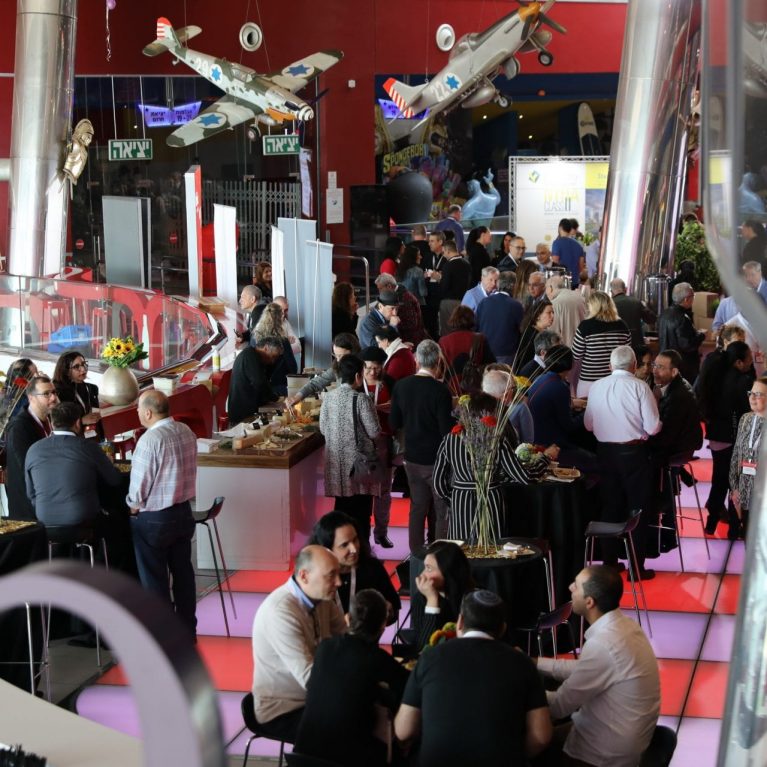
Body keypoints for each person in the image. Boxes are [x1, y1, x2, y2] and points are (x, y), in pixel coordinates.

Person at [395, 589, 551, 767]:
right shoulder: (523, 663)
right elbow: (541, 736)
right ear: (502, 628)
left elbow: (403, 731)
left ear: (460, 622)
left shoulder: (430, 657)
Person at [537, 566, 660, 767]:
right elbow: (585, 669)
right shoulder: (627, 626)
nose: (570, 587)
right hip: (628, 741)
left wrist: (522, 690)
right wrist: (534, 663)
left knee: (532, 744)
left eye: (576, 586)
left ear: (589, 602)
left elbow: (559, 706)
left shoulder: (603, 644)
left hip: (601, 756)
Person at [295, 589, 409, 767]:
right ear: (383, 625)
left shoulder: (325, 647)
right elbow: (410, 686)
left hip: (303, 754)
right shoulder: (377, 658)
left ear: (348, 618)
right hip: (348, 758)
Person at [251, 545, 347, 742]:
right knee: (355, 728)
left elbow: (347, 641)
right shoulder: (281, 612)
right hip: (283, 709)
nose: (339, 582)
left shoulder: (322, 597)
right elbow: (310, 678)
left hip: (312, 697)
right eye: (331, 575)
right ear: (304, 576)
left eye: (339, 574)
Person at [433, 392, 554, 541]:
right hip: (490, 499)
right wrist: (545, 459)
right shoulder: (496, 439)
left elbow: (438, 483)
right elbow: (524, 476)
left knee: (462, 548)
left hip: (460, 500)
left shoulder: (449, 439)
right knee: (491, 546)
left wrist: (454, 498)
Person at [584, 346, 661, 578]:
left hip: (605, 453)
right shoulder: (640, 387)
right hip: (634, 453)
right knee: (638, 508)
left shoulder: (596, 386)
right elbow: (652, 428)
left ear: (610, 366)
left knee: (610, 506)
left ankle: (609, 563)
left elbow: (588, 425)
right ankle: (636, 568)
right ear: (634, 366)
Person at [126, 390, 198, 637]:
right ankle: (187, 631)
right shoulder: (185, 431)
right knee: (183, 575)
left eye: (138, 408)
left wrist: (132, 507)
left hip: (155, 518)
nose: (137, 412)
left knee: (155, 580)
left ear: (148, 412)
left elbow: (139, 488)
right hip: (184, 511)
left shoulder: (149, 440)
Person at [389, 340, 455, 552]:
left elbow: (394, 423)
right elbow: (446, 431)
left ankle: (416, 554)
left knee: (417, 508)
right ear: (438, 361)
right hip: (437, 459)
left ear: (416, 360)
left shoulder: (401, 386)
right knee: (442, 509)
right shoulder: (441, 391)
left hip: (412, 457)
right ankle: (440, 553)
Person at [25, 401, 122, 528]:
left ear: (52, 423)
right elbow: (114, 480)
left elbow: (31, 494)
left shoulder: (33, 449)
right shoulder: (88, 447)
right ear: (77, 423)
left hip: (45, 520)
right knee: (117, 515)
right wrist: (109, 464)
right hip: (83, 519)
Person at [319, 355, 381, 541]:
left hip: (336, 466)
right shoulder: (361, 399)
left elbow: (323, 429)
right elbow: (374, 431)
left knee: (341, 511)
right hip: (358, 467)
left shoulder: (328, 398)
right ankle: (361, 549)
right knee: (361, 513)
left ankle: (340, 546)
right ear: (357, 376)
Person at [696, 341, 754, 535]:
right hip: (734, 436)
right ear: (738, 362)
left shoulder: (715, 376)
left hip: (716, 436)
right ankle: (734, 527)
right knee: (735, 482)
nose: (751, 362)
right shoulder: (742, 381)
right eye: (749, 359)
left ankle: (712, 522)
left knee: (719, 479)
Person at [307, 511, 400, 620]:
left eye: (355, 540)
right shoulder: (315, 577)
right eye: (344, 545)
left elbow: (394, 610)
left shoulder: (372, 568)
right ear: (327, 549)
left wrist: (387, 612)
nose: (354, 549)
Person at [526, 346, 600, 473]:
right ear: (570, 365)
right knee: (595, 460)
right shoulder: (559, 387)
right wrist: (589, 411)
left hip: (537, 438)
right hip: (551, 445)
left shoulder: (540, 378)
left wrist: (573, 405)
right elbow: (569, 426)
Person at [4, 375, 58, 521]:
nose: (53, 398)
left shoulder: (51, 419)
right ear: (31, 398)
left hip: (49, 496)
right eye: (46, 394)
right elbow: (26, 468)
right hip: (29, 505)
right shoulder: (19, 427)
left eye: (54, 392)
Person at [409, 541, 475, 650]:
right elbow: (424, 648)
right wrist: (432, 601)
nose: (422, 574)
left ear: (447, 571)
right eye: (425, 567)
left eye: (429, 568)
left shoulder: (473, 598)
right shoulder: (421, 599)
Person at [360, 346, 395, 547]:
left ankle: (381, 532)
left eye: (377, 368)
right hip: (362, 444)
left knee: (384, 490)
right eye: (368, 368)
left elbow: (398, 409)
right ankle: (363, 535)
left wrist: (384, 408)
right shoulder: (357, 383)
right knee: (363, 490)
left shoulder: (389, 383)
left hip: (384, 441)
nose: (373, 372)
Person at [571, 291, 631, 397]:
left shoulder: (585, 326)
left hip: (589, 381)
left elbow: (575, 355)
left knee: (586, 407)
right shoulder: (623, 325)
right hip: (614, 381)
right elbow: (627, 355)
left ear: (593, 306)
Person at [729, 376, 767, 539]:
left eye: (758, 394)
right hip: (744, 492)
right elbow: (736, 455)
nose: (752, 397)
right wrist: (734, 487)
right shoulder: (746, 419)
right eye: (751, 393)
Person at [288, 332, 360, 405]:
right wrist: (297, 397)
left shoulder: (364, 370)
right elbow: (315, 383)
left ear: (353, 352)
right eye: (336, 356)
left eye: (341, 356)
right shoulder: (337, 367)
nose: (338, 360)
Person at [227, 336, 284, 425]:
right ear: (266, 348)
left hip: (249, 410)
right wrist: (275, 398)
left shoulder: (256, 357)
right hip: (242, 414)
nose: (272, 361)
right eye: (273, 357)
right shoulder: (250, 355)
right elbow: (259, 382)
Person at [658, 282, 706, 384]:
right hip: (682, 366)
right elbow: (687, 345)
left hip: (665, 362)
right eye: (693, 296)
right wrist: (701, 335)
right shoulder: (682, 318)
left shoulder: (663, 314)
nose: (693, 299)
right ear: (686, 299)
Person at [439, 305, 495, 393]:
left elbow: (440, 368)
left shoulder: (443, 341)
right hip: (475, 388)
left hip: (451, 389)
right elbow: (491, 364)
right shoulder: (480, 339)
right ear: (472, 319)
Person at [475, 271, 525, 365]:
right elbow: (522, 330)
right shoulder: (516, 306)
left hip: (484, 352)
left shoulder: (484, 302)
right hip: (506, 354)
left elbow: (476, 327)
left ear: (498, 284)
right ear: (514, 286)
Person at [253, 302, 298, 397]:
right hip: (280, 385)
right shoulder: (283, 341)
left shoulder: (255, 337)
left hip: (261, 387)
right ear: (279, 319)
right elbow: (293, 367)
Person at [481, 367, 534, 445]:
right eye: (512, 388)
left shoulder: (521, 408)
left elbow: (528, 442)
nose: (513, 390)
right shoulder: (482, 408)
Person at [52, 350, 100, 428]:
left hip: (92, 431)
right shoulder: (59, 393)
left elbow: (96, 412)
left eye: (83, 364)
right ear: (66, 371)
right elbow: (58, 424)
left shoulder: (92, 388)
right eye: (76, 367)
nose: (83, 369)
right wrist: (82, 421)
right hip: (72, 434)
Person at [609, 277, 657, 349]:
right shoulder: (636, 302)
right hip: (636, 345)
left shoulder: (608, 305)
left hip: (616, 346)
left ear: (611, 291)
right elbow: (652, 319)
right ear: (625, 289)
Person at [438, 240, 473, 334]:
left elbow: (444, 287)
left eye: (443, 252)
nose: (443, 255)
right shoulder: (467, 263)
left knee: (448, 330)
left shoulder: (448, 265)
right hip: (464, 302)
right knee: (461, 329)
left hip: (449, 302)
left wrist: (439, 280)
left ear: (448, 251)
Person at [514, 300, 556, 374]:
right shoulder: (531, 334)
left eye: (553, 313)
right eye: (549, 313)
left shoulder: (539, 332)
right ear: (538, 315)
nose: (552, 316)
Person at [546, 274, 586, 347]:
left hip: (565, 349)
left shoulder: (555, 303)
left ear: (550, 288)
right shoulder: (579, 296)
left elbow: (553, 333)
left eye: (546, 289)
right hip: (582, 346)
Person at [551, 218, 585, 287]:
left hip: (562, 283)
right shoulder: (578, 245)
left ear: (560, 228)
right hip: (575, 282)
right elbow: (581, 267)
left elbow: (555, 265)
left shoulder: (556, 243)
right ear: (570, 229)